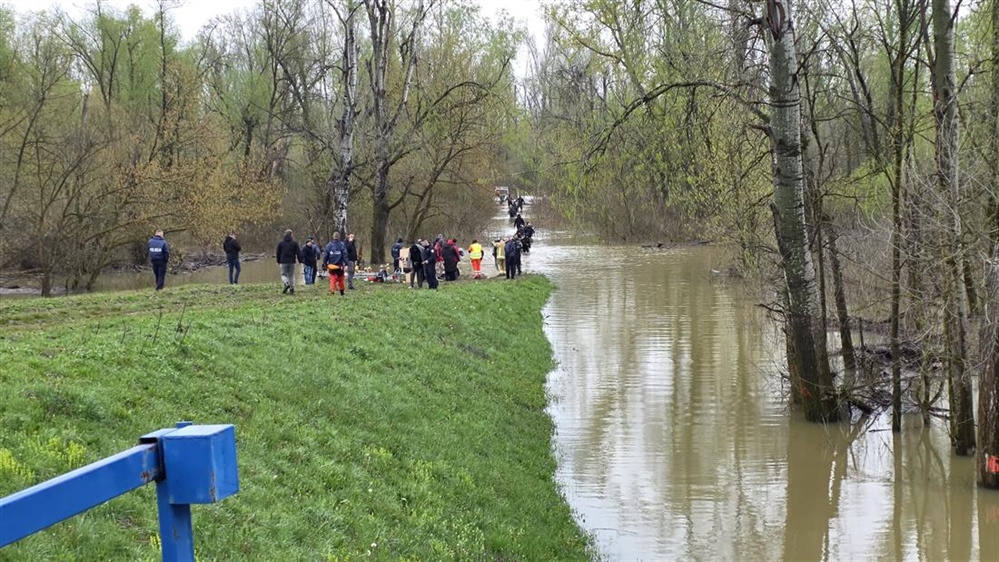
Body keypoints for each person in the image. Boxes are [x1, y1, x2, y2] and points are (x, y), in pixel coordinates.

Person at [276, 229, 301, 294]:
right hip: (291, 261)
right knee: (291, 275)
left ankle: (286, 283)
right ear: (291, 235)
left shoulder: (281, 243)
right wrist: (300, 260)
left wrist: (278, 260)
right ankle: (292, 288)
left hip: (283, 261)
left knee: (283, 274)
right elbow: (298, 253)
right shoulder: (294, 243)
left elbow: (278, 253)